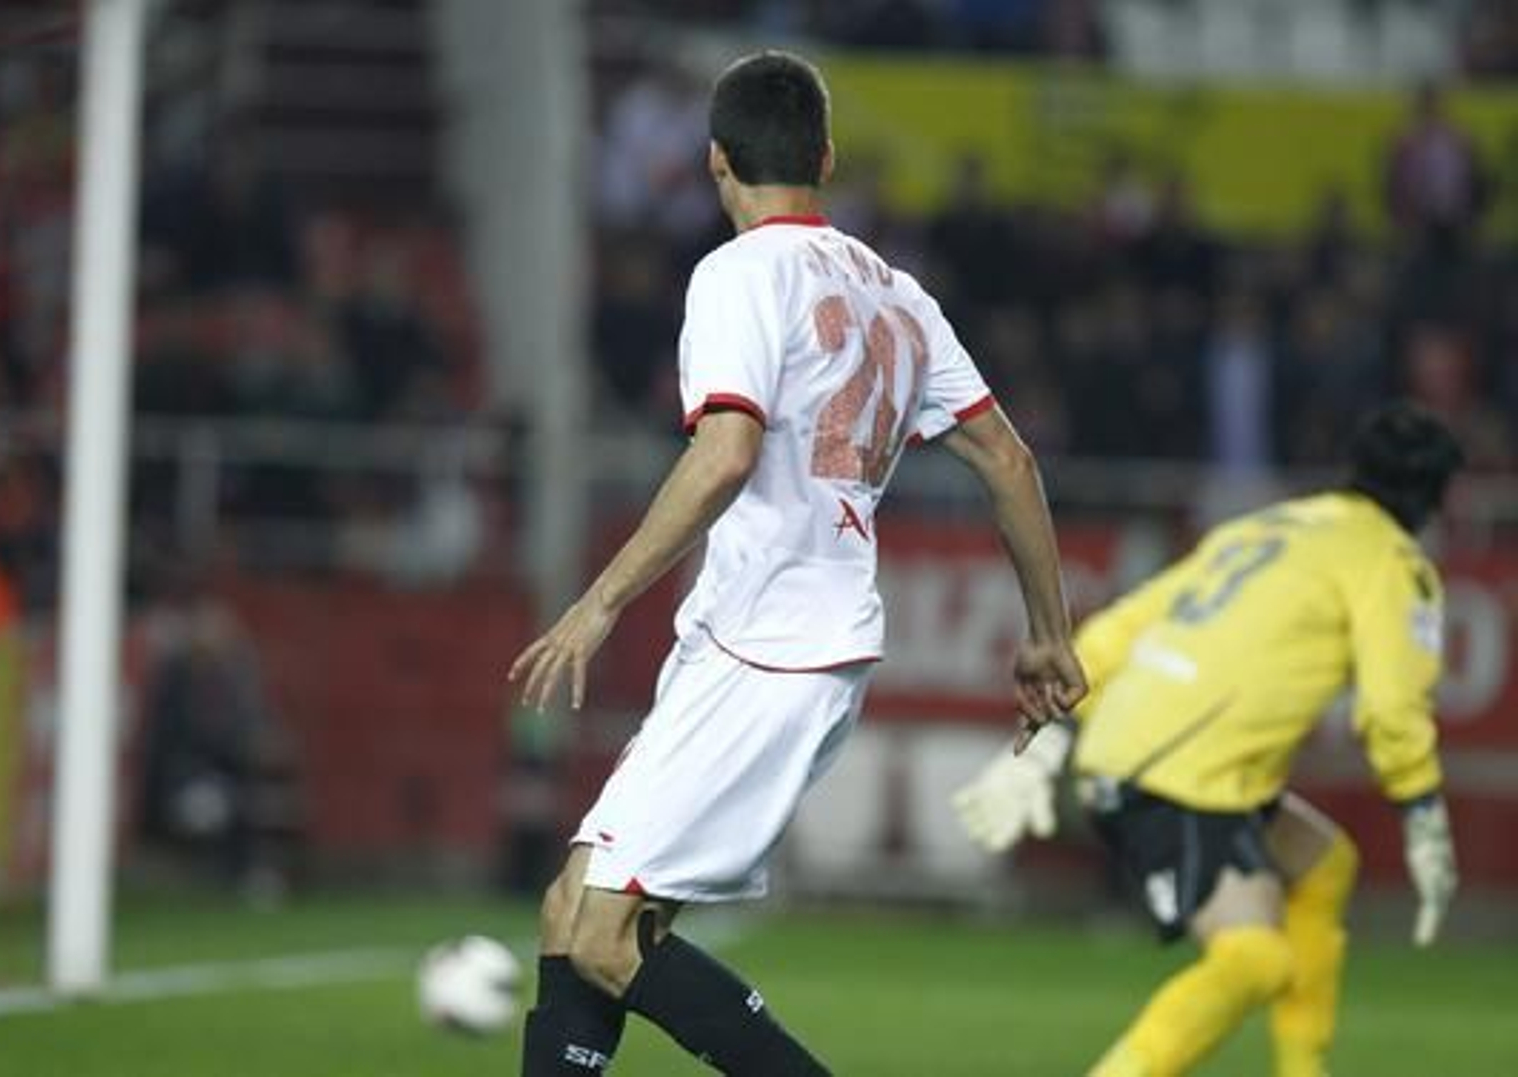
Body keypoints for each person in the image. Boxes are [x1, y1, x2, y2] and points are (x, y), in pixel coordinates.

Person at [509, 50, 1086, 1076]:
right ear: (824, 154)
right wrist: (1047, 631)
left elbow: (726, 449)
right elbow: (1007, 456)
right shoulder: (897, 293)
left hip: (766, 644)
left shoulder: (737, 274)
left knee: (601, 935)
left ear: (716, 163)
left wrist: (598, 604)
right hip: (785, 639)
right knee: (574, 917)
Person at [953, 402, 1464, 1077]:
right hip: (1176, 775)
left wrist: (1056, 729)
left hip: (1171, 761)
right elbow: (1393, 708)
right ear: (1433, 502)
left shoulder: (1274, 525)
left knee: (1322, 862)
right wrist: (1424, 813)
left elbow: (1132, 618)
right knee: (1255, 958)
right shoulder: (1394, 564)